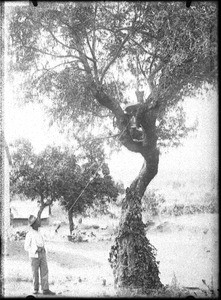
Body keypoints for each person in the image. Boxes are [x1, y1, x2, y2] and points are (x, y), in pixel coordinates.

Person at [24, 215, 55, 295]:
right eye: (37, 221)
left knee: (44, 271)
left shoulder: (41, 231)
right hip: (34, 256)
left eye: (38, 221)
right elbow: (26, 247)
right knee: (35, 272)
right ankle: (36, 289)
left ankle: (45, 289)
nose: (39, 222)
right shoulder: (29, 234)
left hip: (43, 253)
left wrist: (55, 229)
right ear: (33, 224)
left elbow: (49, 236)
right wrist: (36, 250)